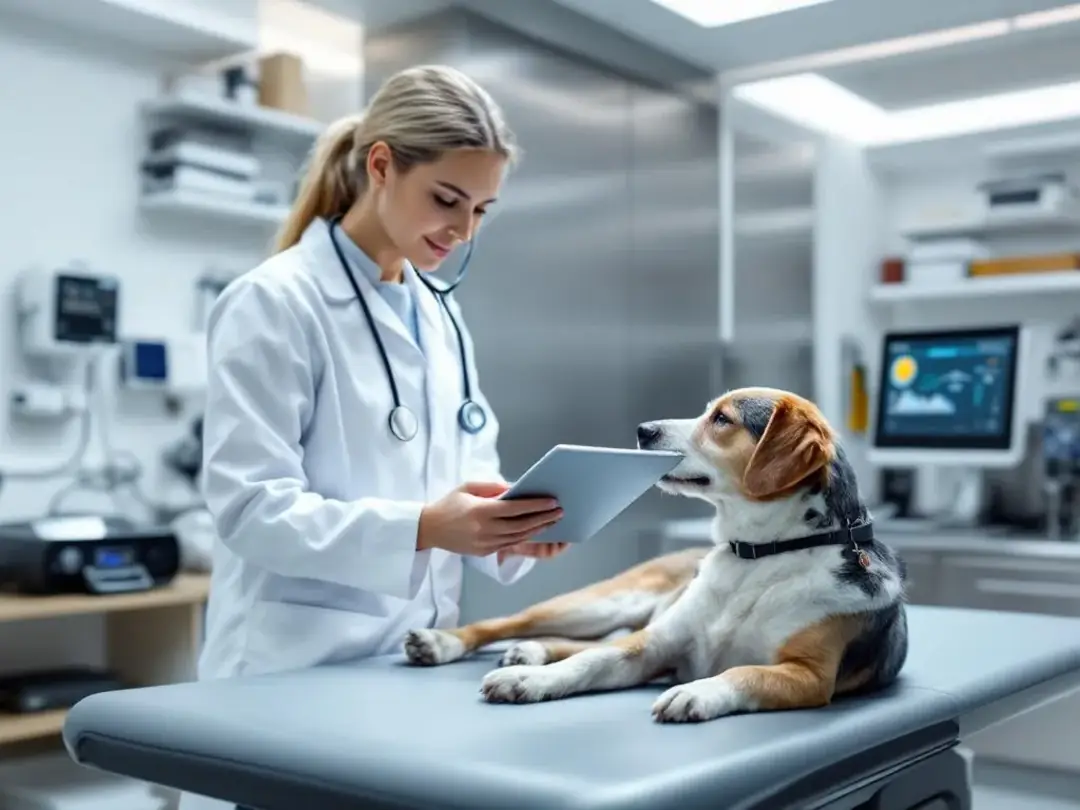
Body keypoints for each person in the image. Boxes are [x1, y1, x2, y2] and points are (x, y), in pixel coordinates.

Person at [180, 65, 568, 810]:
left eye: (483, 209)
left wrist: (510, 529)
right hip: (286, 679)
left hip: (407, 674)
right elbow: (250, 511)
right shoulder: (274, 301)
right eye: (446, 200)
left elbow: (468, 479)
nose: (462, 232)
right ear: (381, 165)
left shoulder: (443, 317)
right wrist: (427, 528)